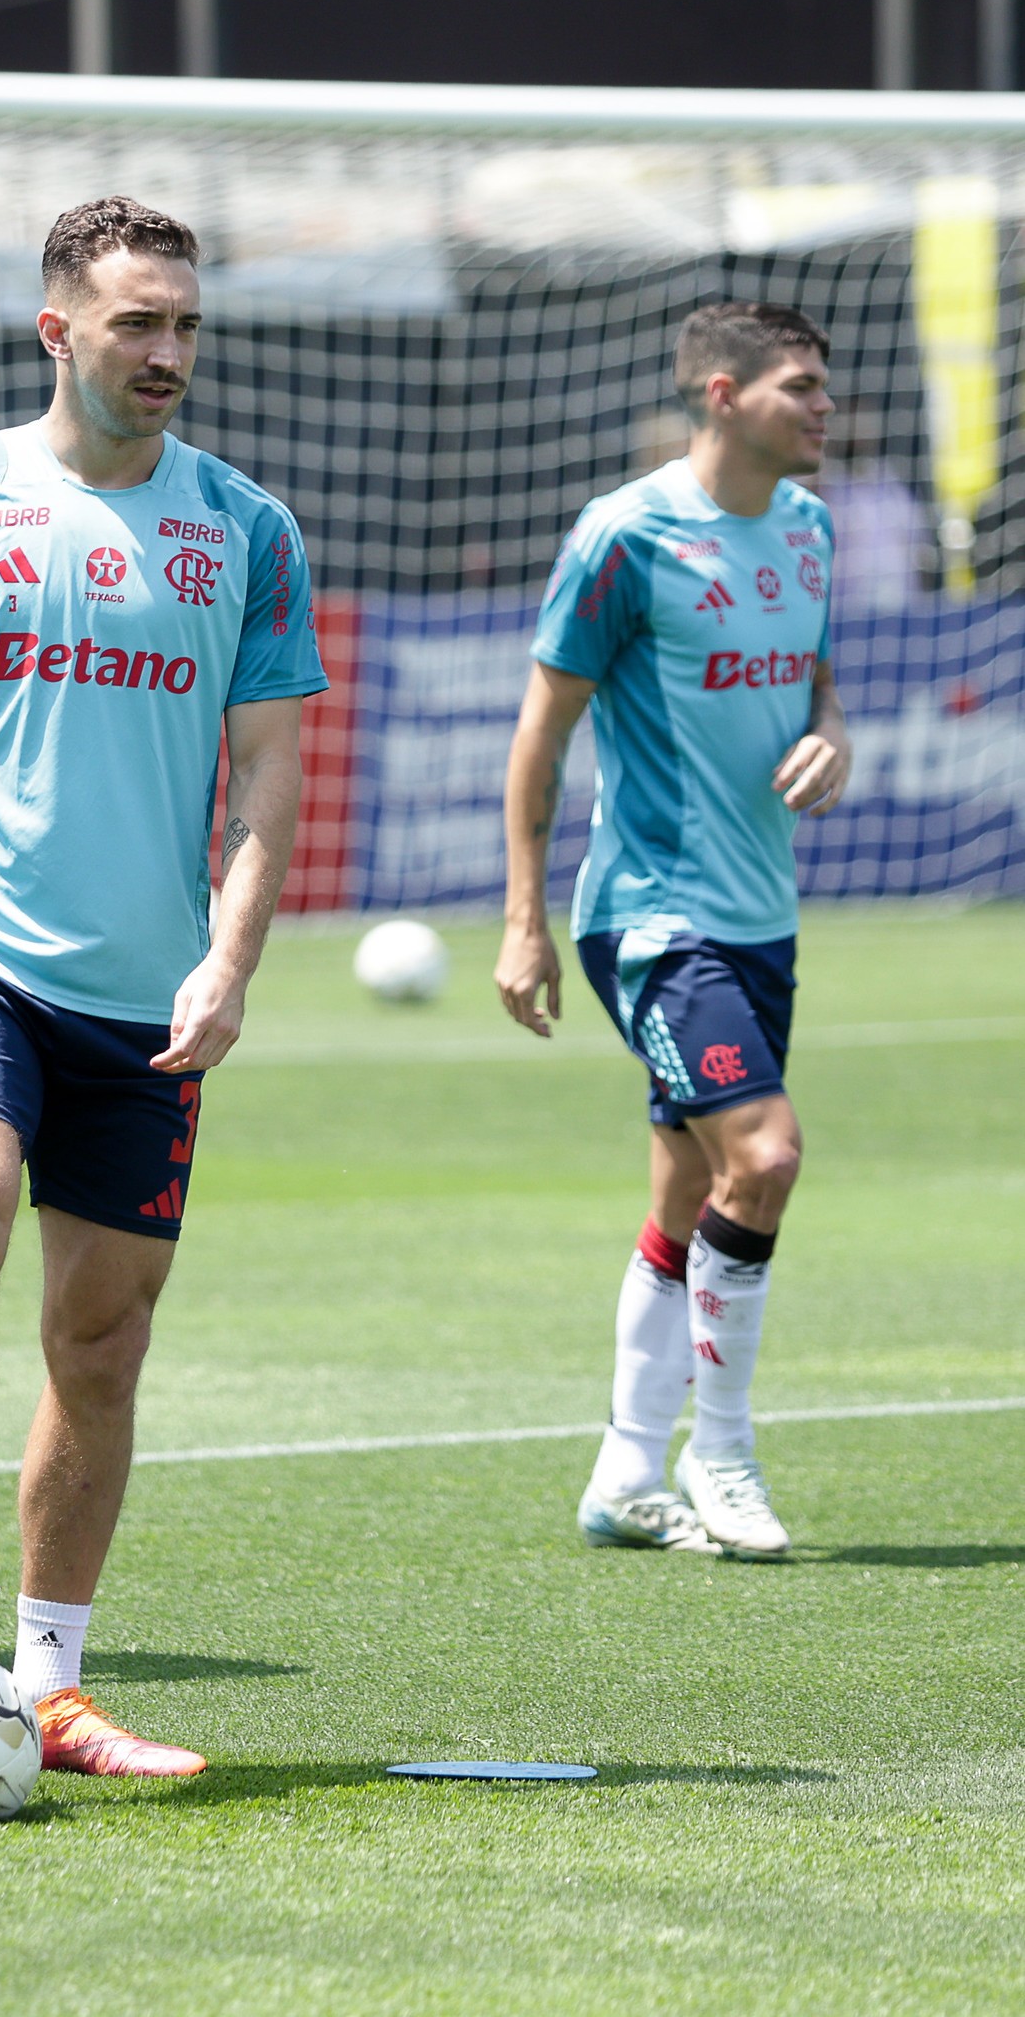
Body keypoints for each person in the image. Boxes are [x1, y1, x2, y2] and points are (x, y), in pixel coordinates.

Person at [0, 195, 325, 1776]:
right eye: (136, 322)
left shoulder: (246, 528)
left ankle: (49, 1688)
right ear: (57, 329)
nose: (168, 350)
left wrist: (229, 961)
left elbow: (268, 770)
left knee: (102, 1337)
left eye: (184, 324)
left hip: (147, 993)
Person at [493, 302, 852, 1561]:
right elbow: (541, 731)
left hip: (763, 916)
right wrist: (525, 921)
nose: (824, 406)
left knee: (693, 1193)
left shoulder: (809, 528)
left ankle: (625, 1473)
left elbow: (815, 678)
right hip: (651, 915)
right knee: (767, 1155)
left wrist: (833, 733)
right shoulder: (626, 535)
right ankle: (723, 1450)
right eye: (800, 385)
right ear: (722, 394)